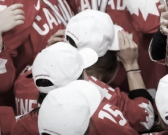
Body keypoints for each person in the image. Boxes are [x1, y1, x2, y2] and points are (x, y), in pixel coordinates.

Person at [12, 42, 145, 134]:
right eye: (84, 71)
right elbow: (146, 119)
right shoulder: (103, 119)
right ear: (78, 81)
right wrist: (131, 64)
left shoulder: (21, 125)